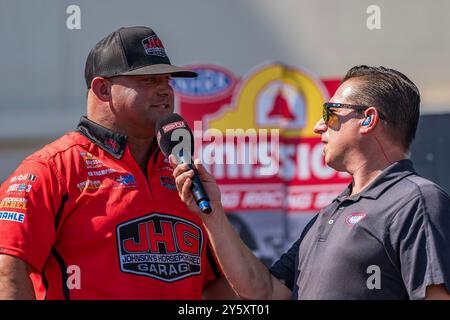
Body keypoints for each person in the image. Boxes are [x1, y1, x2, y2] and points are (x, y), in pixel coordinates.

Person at [171, 65, 450, 299]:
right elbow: (265, 291)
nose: (318, 125)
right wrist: (212, 214)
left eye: (330, 112)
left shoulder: (417, 199)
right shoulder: (332, 212)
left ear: (368, 119)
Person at [0, 26, 235, 300]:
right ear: (102, 88)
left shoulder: (183, 172)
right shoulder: (51, 170)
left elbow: (220, 281)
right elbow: (8, 271)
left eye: (167, 81)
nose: (165, 91)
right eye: (150, 81)